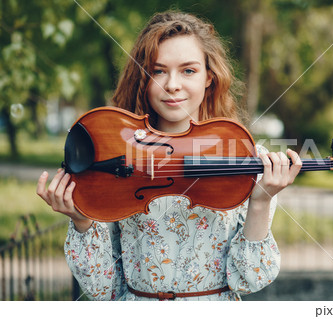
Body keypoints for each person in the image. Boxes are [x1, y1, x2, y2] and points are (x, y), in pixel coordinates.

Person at [36, 10, 302, 301]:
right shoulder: (116, 151)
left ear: (209, 78)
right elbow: (104, 289)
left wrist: (261, 201)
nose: (171, 84)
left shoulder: (245, 156)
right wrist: (82, 220)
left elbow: (249, 280)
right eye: (158, 71)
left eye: (188, 70)